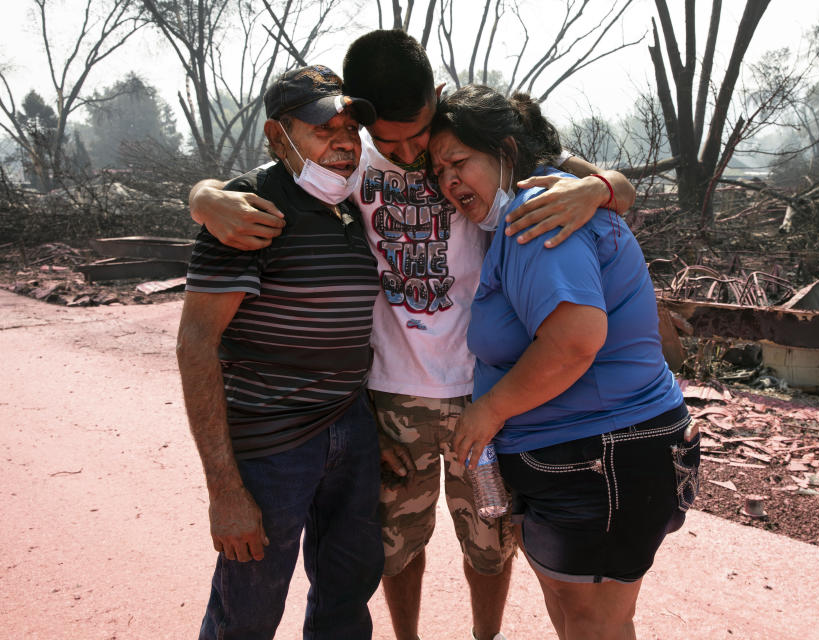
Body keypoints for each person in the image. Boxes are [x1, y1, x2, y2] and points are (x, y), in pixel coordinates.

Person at [188, 30, 638, 640]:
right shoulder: (347, 163)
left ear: (439, 99)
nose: (403, 153)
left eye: (416, 137)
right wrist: (202, 197)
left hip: (483, 391)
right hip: (390, 397)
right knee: (395, 547)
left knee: (491, 543)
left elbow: (602, 183)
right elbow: (270, 182)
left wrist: (599, 188)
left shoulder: (466, 143)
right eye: (385, 139)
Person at [429, 84, 700, 640]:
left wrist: (491, 410)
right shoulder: (534, 211)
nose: (449, 181)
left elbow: (575, 341)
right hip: (591, 455)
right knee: (591, 620)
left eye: (459, 162)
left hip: (600, 453)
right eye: (439, 172)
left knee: (591, 624)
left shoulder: (535, 216)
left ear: (506, 150)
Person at [176, 65, 384, 640]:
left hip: (351, 424)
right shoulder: (247, 211)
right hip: (271, 443)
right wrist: (224, 491)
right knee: (247, 608)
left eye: (351, 127)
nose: (344, 142)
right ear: (277, 136)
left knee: (347, 594)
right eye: (323, 129)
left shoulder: (352, 201)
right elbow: (196, 346)